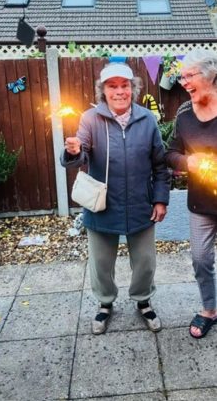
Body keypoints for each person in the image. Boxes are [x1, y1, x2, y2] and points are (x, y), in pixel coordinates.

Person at [61, 63, 169, 335]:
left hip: (140, 205)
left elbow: (160, 165)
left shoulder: (147, 120)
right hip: (101, 206)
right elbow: (81, 152)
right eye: (113, 86)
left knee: (145, 261)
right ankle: (105, 303)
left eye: (125, 85)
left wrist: (160, 200)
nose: (120, 91)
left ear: (133, 88)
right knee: (101, 263)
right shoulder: (90, 119)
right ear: (103, 90)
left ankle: (143, 300)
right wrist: (74, 150)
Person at [165, 48, 217, 338]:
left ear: (209, 73)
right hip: (201, 203)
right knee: (200, 258)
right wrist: (189, 162)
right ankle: (210, 309)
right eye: (181, 77)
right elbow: (170, 153)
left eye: (188, 75)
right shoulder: (184, 113)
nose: (183, 82)